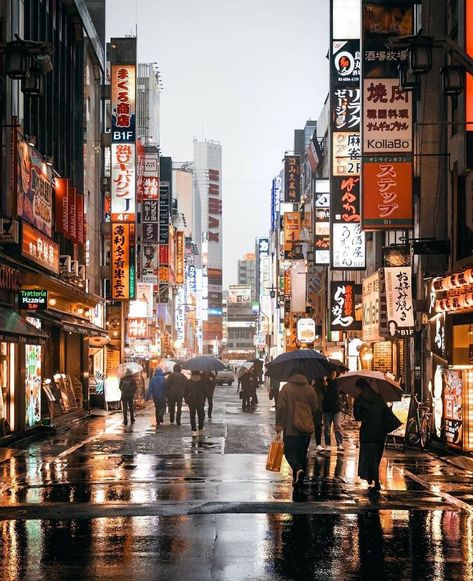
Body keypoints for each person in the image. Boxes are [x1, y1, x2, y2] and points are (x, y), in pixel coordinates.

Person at [275, 373, 321, 498]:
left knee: (290, 452)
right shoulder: (310, 389)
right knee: (301, 454)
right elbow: (315, 407)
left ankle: (297, 469)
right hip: (305, 428)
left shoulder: (286, 388)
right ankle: (298, 481)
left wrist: (279, 425)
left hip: (291, 428)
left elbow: (280, 407)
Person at [353, 378, 387, 493]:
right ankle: (373, 479)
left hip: (368, 432)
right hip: (381, 432)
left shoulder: (360, 399)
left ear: (360, 388)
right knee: (376, 458)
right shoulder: (378, 397)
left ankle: (374, 480)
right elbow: (385, 412)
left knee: (369, 458)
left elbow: (357, 417)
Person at [322, 370, 344, 452]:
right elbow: (323, 395)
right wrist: (325, 386)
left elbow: (340, 392)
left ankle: (339, 443)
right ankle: (328, 444)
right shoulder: (325, 382)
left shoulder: (338, 383)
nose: (333, 374)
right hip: (327, 408)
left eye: (334, 373)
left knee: (337, 426)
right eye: (331, 373)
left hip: (336, 408)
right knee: (327, 427)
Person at [185, 371, 207, 437]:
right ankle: (200, 429)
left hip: (191, 400)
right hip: (200, 400)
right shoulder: (202, 382)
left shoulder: (188, 382)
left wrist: (187, 400)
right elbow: (205, 392)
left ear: (192, 373)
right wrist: (203, 399)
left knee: (192, 415)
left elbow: (185, 392)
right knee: (200, 415)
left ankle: (193, 430)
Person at [313, 377, 325, 453]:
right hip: (311, 409)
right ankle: (317, 444)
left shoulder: (320, 383)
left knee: (317, 426)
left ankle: (318, 444)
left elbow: (324, 395)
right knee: (313, 427)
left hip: (317, 408)